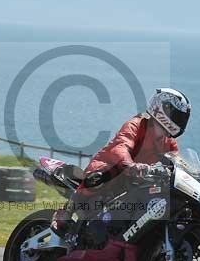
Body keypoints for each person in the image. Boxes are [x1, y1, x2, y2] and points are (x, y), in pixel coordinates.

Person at [50, 88, 192, 238]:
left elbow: (177, 161)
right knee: (97, 179)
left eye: (183, 117)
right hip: (111, 167)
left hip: (137, 177)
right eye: (177, 115)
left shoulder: (169, 142)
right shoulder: (136, 124)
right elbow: (121, 147)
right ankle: (64, 214)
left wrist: (187, 176)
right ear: (161, 107)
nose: (180, 120)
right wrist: (130, 165)